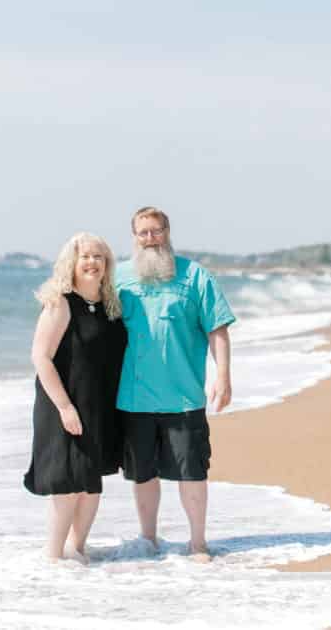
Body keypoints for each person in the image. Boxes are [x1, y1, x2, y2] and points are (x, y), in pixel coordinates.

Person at [115, 206, 235, 562]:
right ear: (134, 237)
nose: (150, 239)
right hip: (133, 398)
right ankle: (147, 539)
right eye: (143, 233)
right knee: (143, 475)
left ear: (167, 231)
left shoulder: (195, 276)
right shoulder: (118, 277)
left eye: (156, 231)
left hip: (184, 397)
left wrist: (223, 376)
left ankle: (198, 543)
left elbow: (218, 329)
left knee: (193, 472)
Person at [23, 232, 127, 563]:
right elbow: (41, 357)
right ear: (72, 261)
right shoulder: (61, 303)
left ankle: (77, 551)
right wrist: (66, 407)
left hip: (99, 406)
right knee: (67, 484)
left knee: (91, 484)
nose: (93, 262)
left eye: (99, 257)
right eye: (86, 256)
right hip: (62, 405)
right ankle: (53, 559)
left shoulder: (112, 307)